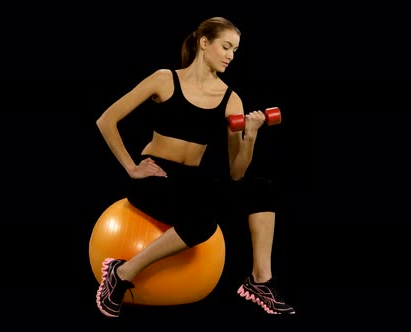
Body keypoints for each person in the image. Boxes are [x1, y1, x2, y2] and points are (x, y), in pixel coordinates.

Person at [94, 16, 295, 317]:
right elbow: (106, 120)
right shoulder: (165, 79)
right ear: (204, 43)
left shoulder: (231, 99)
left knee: (262, 189)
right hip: (155, 176)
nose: (231, 55)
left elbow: (237, 173)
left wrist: (250, 136)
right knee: (201, 223)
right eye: (226, 46)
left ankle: (260, 281)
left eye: (235, 50)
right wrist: (131, 167)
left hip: (192, 180)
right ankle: (121, 274)